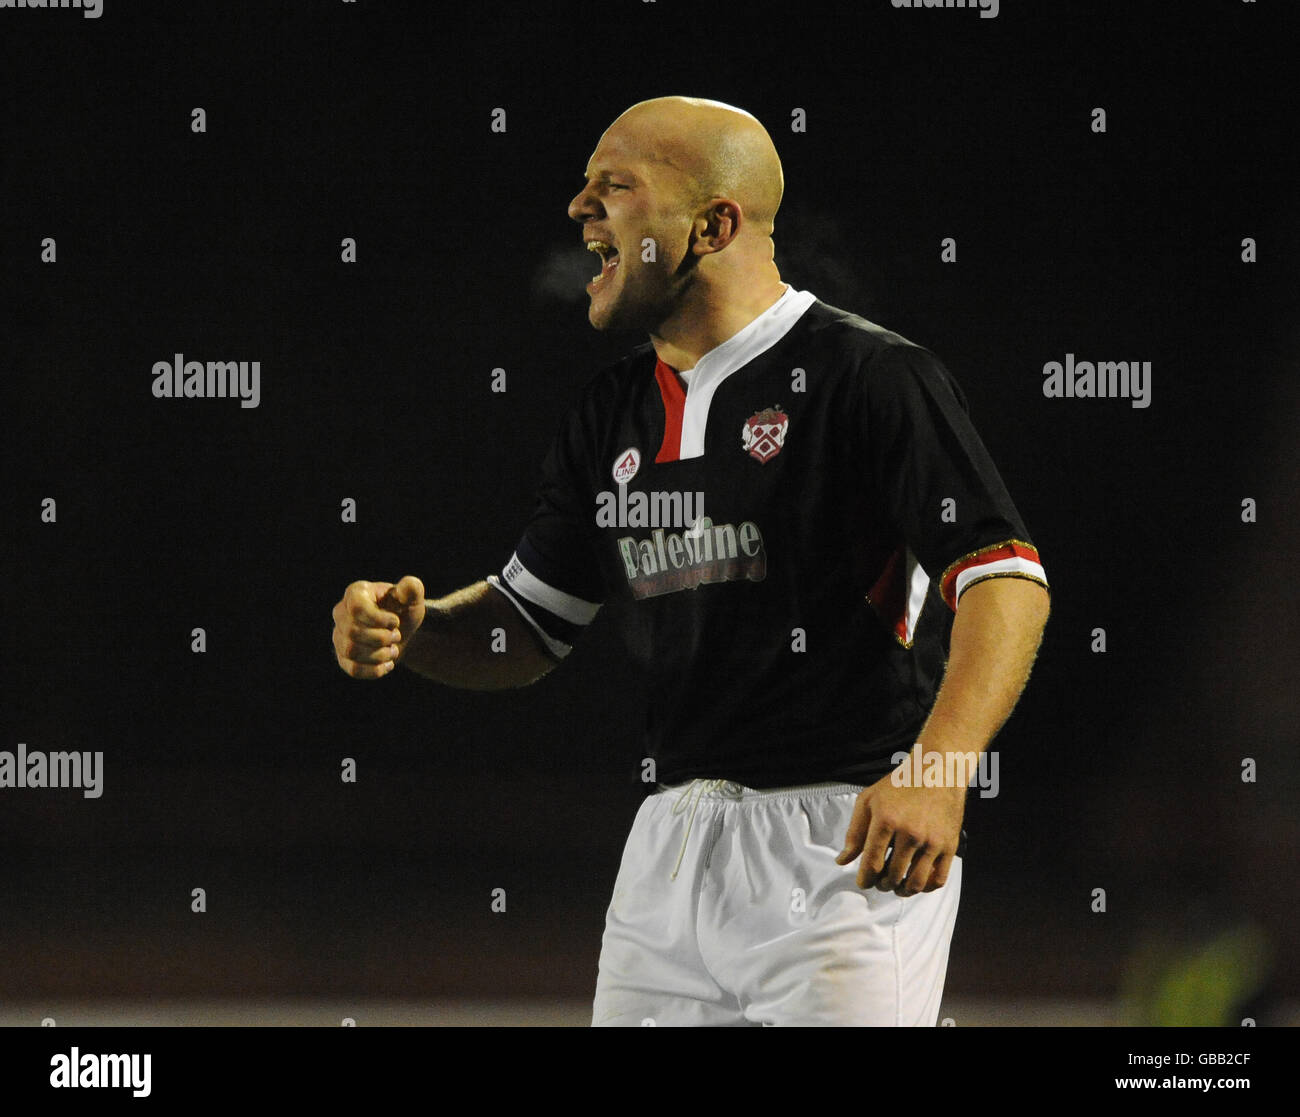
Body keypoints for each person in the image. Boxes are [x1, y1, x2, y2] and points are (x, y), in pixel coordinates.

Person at [331, 96, 1051, 1026]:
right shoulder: (608, 413)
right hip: (668, 844)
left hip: (841, 845)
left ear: (715, 224)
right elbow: (528, 625)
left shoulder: (871, 378)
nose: (578, 207)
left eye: (615, 185)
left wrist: (937, 770)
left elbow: (1006, 582)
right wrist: (418, 630)